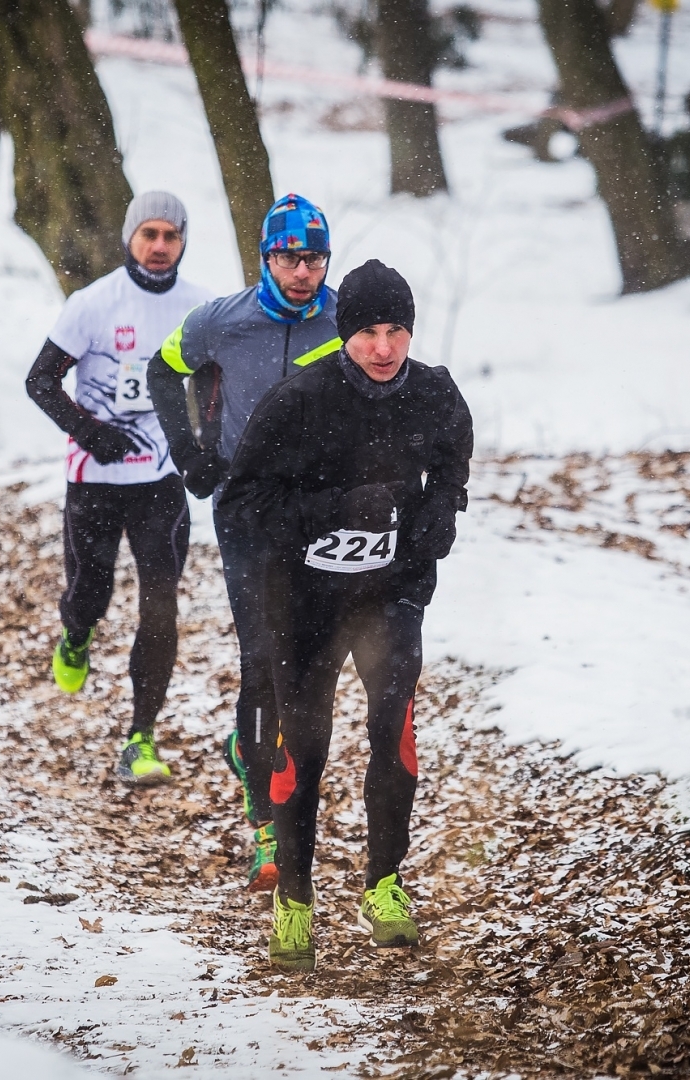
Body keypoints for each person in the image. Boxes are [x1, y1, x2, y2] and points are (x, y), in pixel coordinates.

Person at [220, 259, 473, 973]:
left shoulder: (432, 395)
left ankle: (384, 886)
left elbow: (452, 463)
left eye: (396, 331)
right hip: (306, 603)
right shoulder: (298, 402)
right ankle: (294, 899)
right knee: (306, 749)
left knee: (393, 733)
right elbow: (242, 503)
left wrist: (435, 523)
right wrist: (328, 511)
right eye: (368, 332)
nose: (384, 348)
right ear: (344, 333)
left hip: (387, 598)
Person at [145, 194, 340, 887]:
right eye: (289, 257)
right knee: (262, 657)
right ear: (265, 257)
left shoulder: (346, 320)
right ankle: (266, 822)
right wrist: (192, 455)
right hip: (246, 509)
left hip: (323, 513)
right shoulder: (223, 322)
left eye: (314, 258)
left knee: (309, 665)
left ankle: (260, 757)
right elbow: (162, 371)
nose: (302, 272)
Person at [25, 191, 215, 784]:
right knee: (92, 592)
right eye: (149, 234)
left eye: (170, 236)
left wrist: (203, 445)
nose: (159, 247)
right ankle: (75, 635)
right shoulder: (93, 304)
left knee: (160, 605)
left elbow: (214, 384)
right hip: (96, 480)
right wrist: (91, 433)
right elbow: (40, 382)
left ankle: (142, 736)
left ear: (183, 242)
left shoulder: (199, 309)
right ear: (130, 238)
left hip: (160, 481)